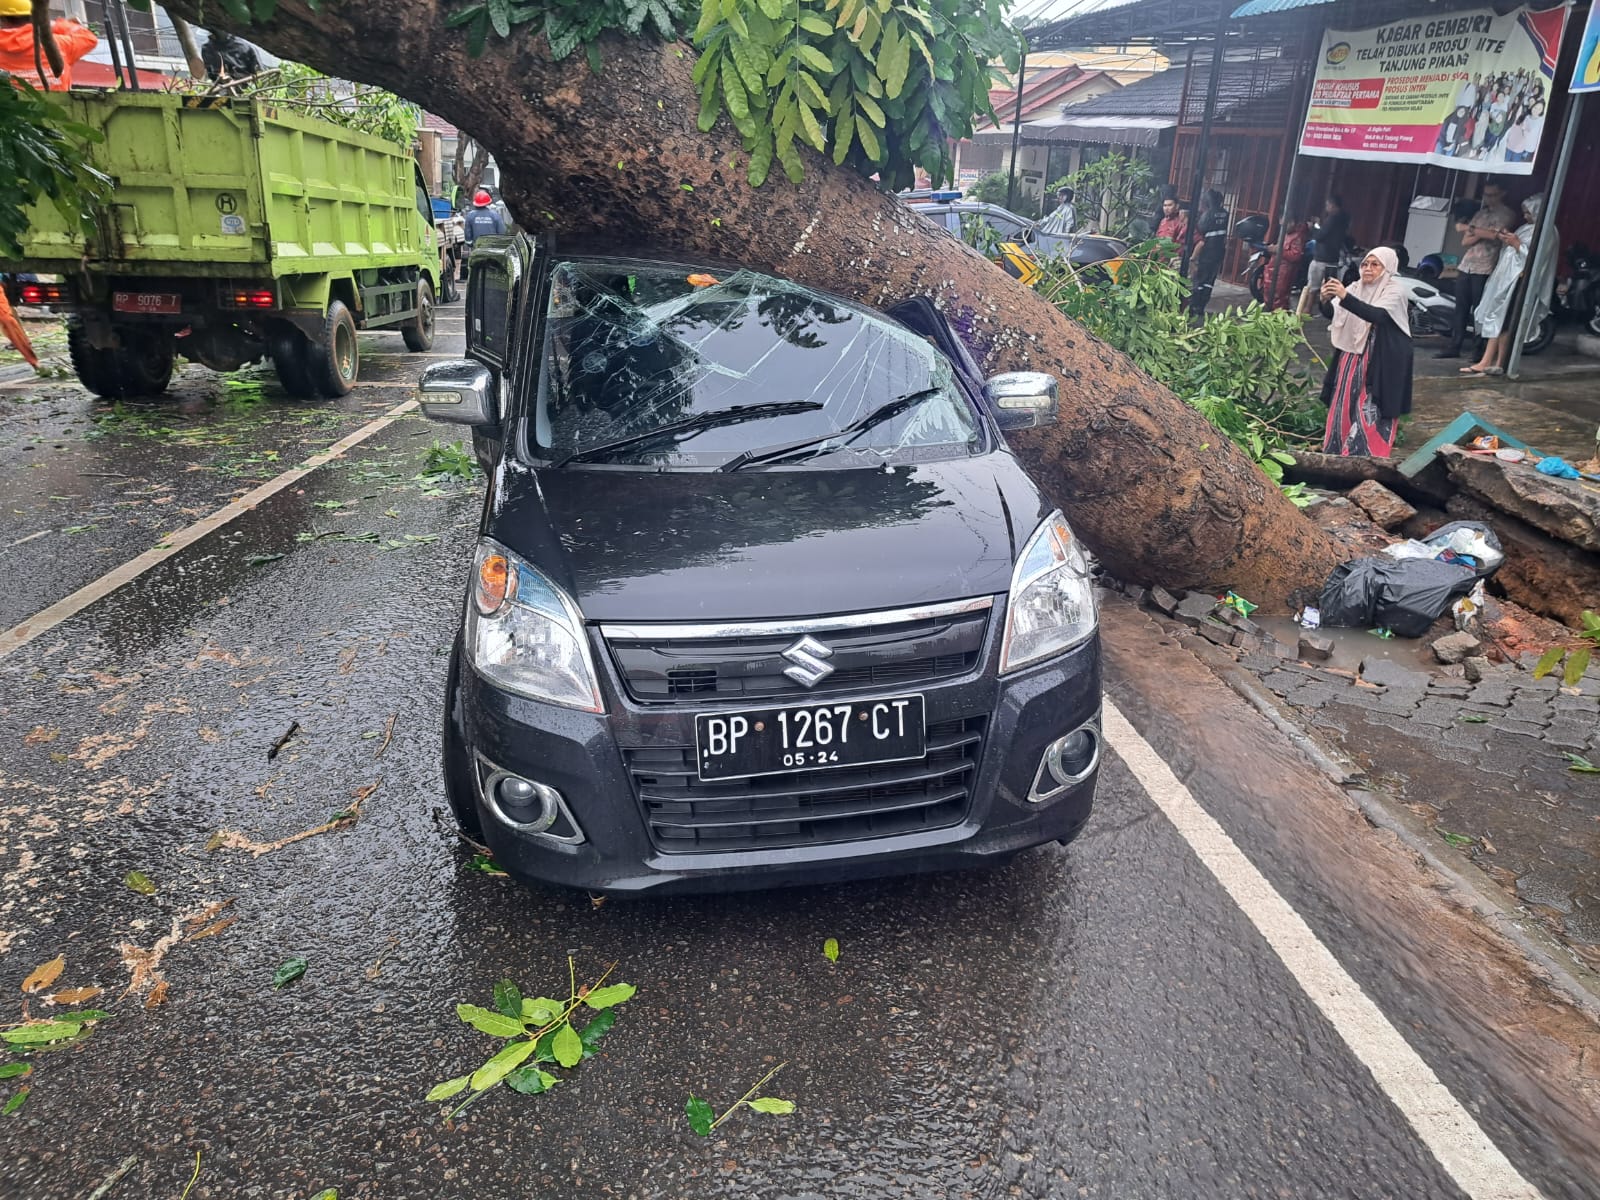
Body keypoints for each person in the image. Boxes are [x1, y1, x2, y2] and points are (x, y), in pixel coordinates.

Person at [1319, 247, 1413, 457]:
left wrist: (1344, 296)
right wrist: (1325, 299)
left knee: (1370, 405)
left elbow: (1376, 315)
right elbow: (1333, 312)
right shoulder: (1355, 287)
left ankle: (1364, 455)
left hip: (1382, 359)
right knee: (1344, 400)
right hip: (1352, 356)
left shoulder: (1394, 290)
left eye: (1374, 264)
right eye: (1365, 264)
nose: (1368, 269)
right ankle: (1337, 450)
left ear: (1387, 267)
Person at [1465, 194, 1553, 376]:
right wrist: (1509, 239)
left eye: (1528, 213)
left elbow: (1535, 259)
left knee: (1504, 322)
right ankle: (1490, 361)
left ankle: (1497, 362)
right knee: (1498, 319)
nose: (1525, 216)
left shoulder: (1547, 232)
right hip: (1507, 280)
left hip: (1520, 282)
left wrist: (1517, 244)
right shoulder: (1527, 228)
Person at [1439, 180, 1513, 358]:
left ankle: (1478, 349)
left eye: (1492, 194)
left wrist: (1471, 229)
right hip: (1468, 265)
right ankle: (1454, 345)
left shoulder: (1506, 214)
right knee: (1461, 308)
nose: (1488, 198)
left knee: (1481, 309)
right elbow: (1466, 240)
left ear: (1502, 194)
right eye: (1486, 194)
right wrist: (1480, 232)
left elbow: (1497, 236)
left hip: (1486, 267)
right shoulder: (1480, 214)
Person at [0, 0, 97, 90]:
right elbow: (89, 38)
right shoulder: (59, 44)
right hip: (58, 108)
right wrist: (51, 24)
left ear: (2, 18)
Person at [1297, 195, 1350, 317]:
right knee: (1329, 286)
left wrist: (1313, 227)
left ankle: (1308, 309)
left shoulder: (1332, 219)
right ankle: (1326, 311)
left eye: (1327, 205)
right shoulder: (1344, 219)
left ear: (1333, 205)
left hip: (1322, 257)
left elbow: (1320, 235)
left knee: (1313, 285)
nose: (1326, 208)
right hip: (1333, 257)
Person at [1187, 189, 1229, 319]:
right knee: (1209, 280)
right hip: (1218, 252)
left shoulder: (1207, 215)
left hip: (1206, 252)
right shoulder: (1225, 213)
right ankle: (1202, 306)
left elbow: (1199, 230)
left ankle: (1195, 305)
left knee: (1199, 279)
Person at [1155, 195, 1188, 260]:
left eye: (1170, 205)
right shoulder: (1163, 221)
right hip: (1159, 259)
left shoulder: (1181, 222)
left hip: (1172, 261)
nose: (1166, 208)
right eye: (1165, 205)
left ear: (1177, 206)